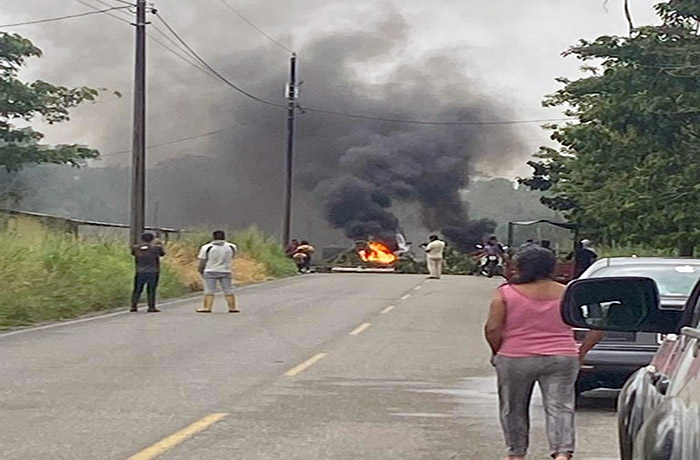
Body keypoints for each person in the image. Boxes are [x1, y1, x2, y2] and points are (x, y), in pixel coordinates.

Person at [484, 246, 603, 460]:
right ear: (552, 267)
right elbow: (598, 325)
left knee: (513, 408)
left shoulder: (505, 292)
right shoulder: (569, 293)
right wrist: (581, 350)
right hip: (562, 357)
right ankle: (562, 453)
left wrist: (497, 351)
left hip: (515, 357)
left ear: (519, 267)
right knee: (560, 407)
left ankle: (516, 454)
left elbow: (493, 328)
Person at [197, 230, 239, 313]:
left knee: (209, 290)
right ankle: (232, 307)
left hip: (210, 270)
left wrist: (200, 269)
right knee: (228, 289)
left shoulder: (207, 247)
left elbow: (203, 260)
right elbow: (233, 256)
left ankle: (207, 307)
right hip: (226, 270)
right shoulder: (231, 246)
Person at [130, 233, 166, 313]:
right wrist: (159, 243)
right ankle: (151, 307)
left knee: (137, 289)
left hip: (140, 271)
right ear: (152, 239)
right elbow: (162, 254)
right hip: (153, 271)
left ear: (142, 239)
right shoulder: (156, 248)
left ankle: (133, 306)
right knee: (151, 289)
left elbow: (133, 253)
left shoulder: (135, 248)